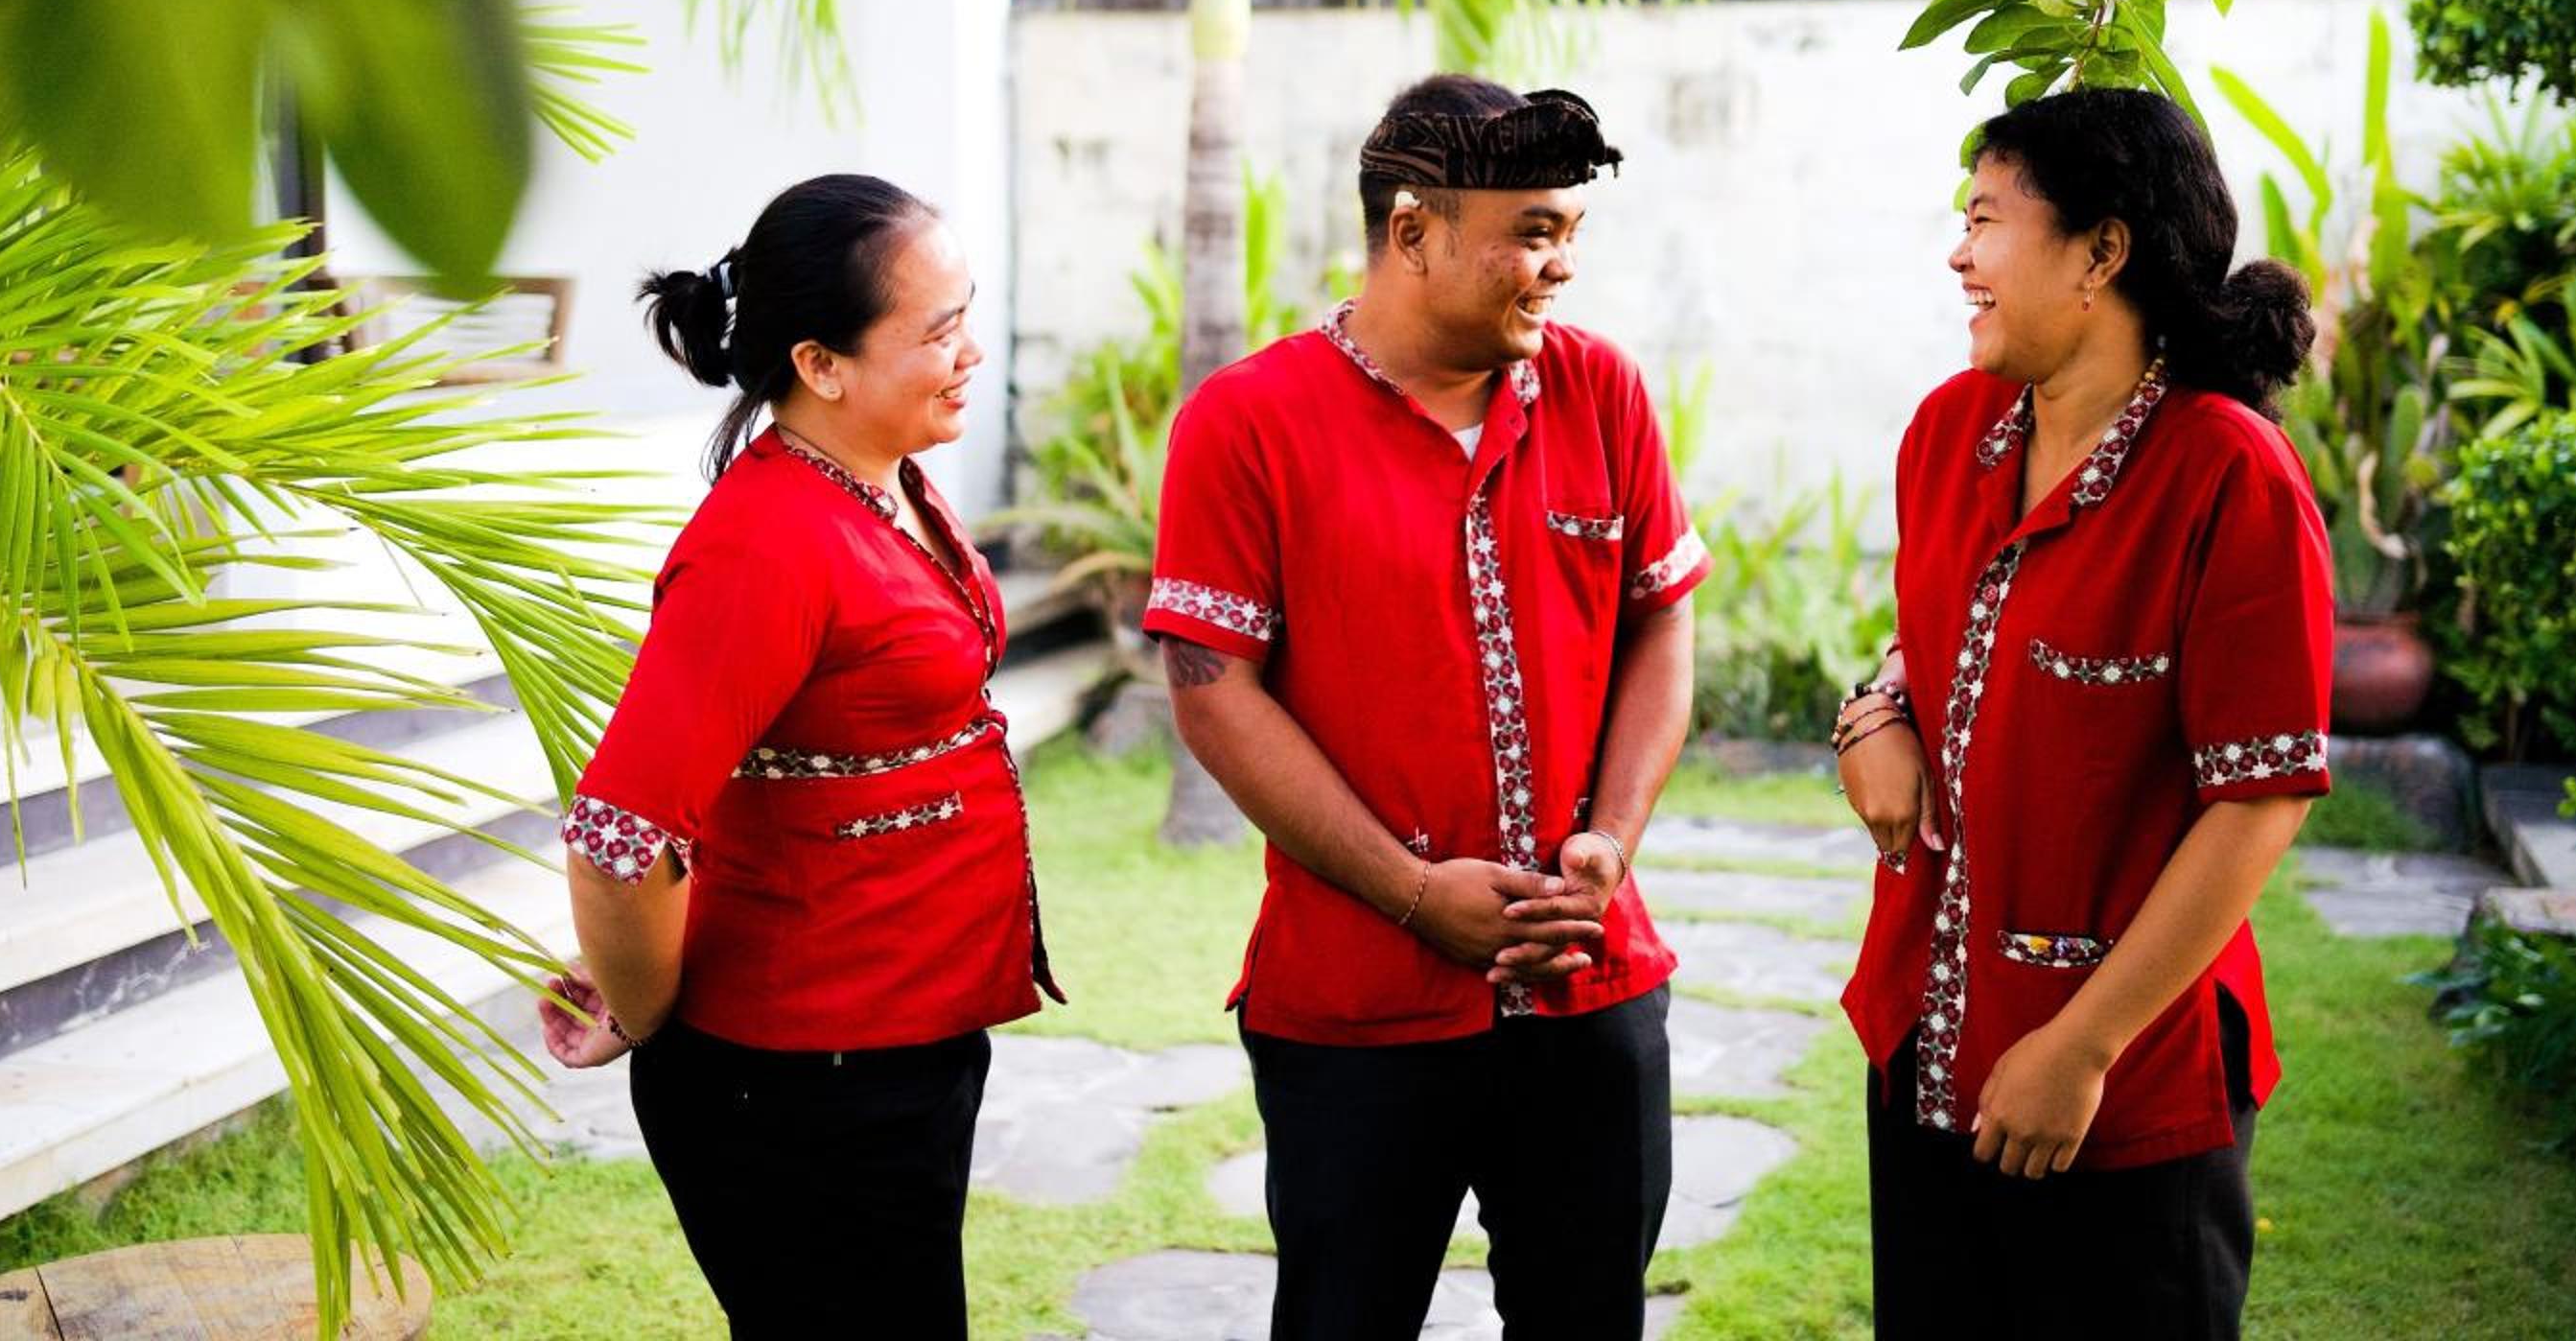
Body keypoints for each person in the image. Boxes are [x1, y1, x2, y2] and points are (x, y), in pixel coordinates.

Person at [1148, 76, 1705, 1341]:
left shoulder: (1600, 391)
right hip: (1357, 1011)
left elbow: (1661, 619)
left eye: (1571, 231)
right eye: (1533, 232)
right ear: (1412, 231)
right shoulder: (1249, 420)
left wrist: (1609, 844)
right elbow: (1214, 691)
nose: (1562, 265)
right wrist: (1412, 893)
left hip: (1589, 983)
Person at [1838, 88, 2330, 1341]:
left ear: (2102, 251)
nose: (1960, 255)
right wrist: (1876, 711)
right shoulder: (1949, 432)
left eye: (1986, 219)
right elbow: (1940, 635)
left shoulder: (2230, 474)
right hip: (1925, 1041)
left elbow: (2261, 797)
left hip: (2126, 1089)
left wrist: (2083, 1045)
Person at [536, 173, 1060, 1337]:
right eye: (938, 330)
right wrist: (645, 1002)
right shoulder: (765, 543)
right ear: (821, 364)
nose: (971, 351)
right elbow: (619, 834)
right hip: (800, 1082)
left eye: (968, 314)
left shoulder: (885, 481)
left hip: (897, 1042)